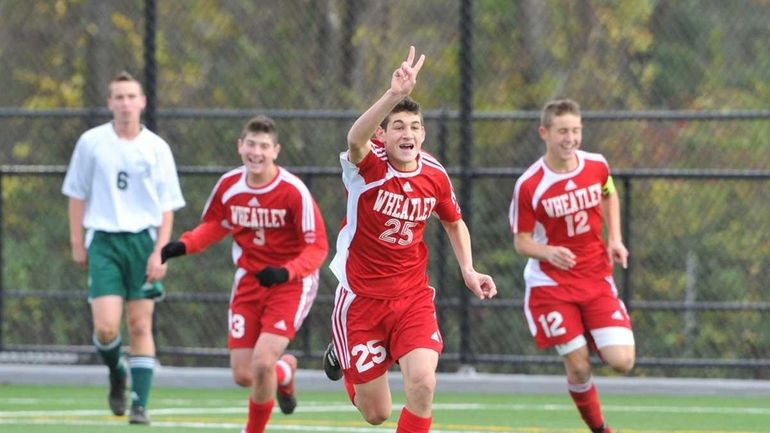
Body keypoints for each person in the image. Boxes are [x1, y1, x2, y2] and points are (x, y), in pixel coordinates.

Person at [322, 46, 497, 433]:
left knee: (423, 383)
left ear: (424, 134)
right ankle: (344, 352)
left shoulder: (434, 173)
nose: (408, 133)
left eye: (415, 127)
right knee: (377, 413)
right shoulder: (368, 168)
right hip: (362, 300)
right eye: (398, 126)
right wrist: (394, 96)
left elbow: (454, 222)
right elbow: (354, 138)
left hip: (412, 297)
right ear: (382, 135)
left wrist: (468, 269)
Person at [160, 115, 329, 433]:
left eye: (264, 146)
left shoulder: (293, 191)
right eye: (251, 144)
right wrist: (183, 246)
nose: (256, 152)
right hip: (249, 282)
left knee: (262, 361)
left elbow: (317, 247)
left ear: (276, 151)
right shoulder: (229, 185)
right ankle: (286, 372)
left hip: (290, 284)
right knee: (245, 375)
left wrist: (285, 272)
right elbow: (216, 224)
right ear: (240, 147)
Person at [62, 71, 186, 425]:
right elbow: (76, 194)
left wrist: (160, 251)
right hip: (103, 241)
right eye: (119, 97)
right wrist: (77, 242)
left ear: (143, 102)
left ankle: (139, 404)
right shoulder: (91, 142)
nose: (126, 103)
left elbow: (167, 207)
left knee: (140, 324)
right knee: (106, 328)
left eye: (132, 96)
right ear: (109, 103)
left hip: (143, 241)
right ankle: (117, 371)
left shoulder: (157, 148)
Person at [508, 98, 635, 433]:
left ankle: (588, 333)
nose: (570, 138)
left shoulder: (596, 166)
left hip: (595, 279)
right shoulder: (530, 184)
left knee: (622, 361)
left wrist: (615, 238)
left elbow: (609, 193)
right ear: (544, 133)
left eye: (576, 130)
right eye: (563, 131)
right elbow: (521, 242)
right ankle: (600, 429)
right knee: (579, 368)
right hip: (552, 287)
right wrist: (548, 252)